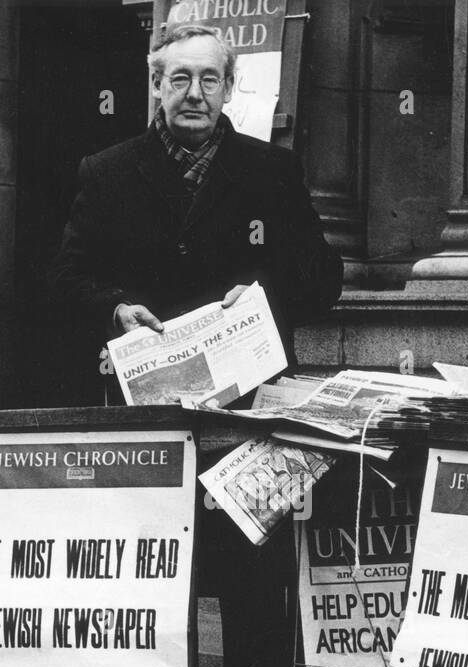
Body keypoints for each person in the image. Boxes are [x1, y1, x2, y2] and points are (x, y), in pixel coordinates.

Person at [48, 23, 343, 392]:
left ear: (229, 87)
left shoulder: (274, 170)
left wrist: (265, 295)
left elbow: (325, 277)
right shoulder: (106, 171)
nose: (194, 94)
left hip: (253, 395)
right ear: (157, 85)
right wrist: (116, 309)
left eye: (209, 80)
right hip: (150, 402)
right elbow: (66, 277)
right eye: (180, 79)